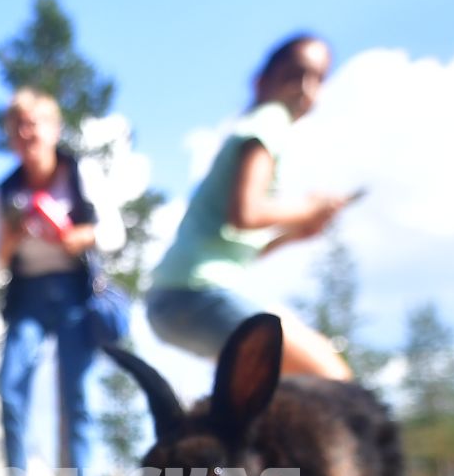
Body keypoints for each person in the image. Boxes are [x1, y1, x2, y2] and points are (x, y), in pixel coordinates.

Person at [145, 33, 355, 379]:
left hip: (180, 299)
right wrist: (310, 209)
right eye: (295, 73)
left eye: (317, 78)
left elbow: (235, 248)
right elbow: (247, 213)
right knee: (334, 380)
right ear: (263, 80)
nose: (304, 87)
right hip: (192, 295)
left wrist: (294, 235)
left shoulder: (260, 128)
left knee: (275, 393)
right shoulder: (268, 120)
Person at [0, 87, 124, 476]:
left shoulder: (80, 174)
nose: (26, 133)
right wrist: (13, 236)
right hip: (26, 292)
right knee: (11, 384)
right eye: (17, 126)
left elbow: (113, 232)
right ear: (10, 137)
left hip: (73, 290)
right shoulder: (5, 191)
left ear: (54, 129)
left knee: (78, 389)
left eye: (34, 123)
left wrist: (77, 236)